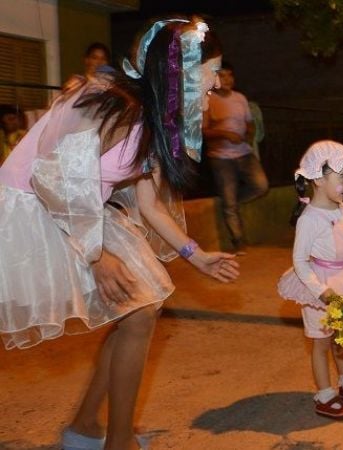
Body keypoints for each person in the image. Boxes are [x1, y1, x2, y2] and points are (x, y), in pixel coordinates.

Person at [0, 18, 240, 450]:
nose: (218, 82)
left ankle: (90, 429)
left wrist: (197, 254)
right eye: (212, 70)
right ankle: (113, 439)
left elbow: (150, 205)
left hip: (78, 210)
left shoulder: (153, 119)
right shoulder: (116, 107)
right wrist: (95, 255)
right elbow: (50, 178)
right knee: (139, 310)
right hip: (35, 209)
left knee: (139, 309)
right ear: (181, 72)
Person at [277, 140, 343, 420]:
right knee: (321, 342)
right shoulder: (310, 219)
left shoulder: (342, 209)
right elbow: (300, 261)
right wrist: (320, 290)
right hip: (322, 288)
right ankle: (325, 395)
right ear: (318, 179)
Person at [203, 61, 268, 255]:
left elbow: (249, 122)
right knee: (229, 200)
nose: (227, 79)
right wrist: (225, 134)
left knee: (261, 186)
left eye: (230, 75)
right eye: (222, 76)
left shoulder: (240, 98)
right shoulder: (208, 100)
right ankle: (238, 241)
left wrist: (249, 133)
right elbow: (203, 131)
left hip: (244, 152)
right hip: (221, 157)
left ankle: (230, 204)